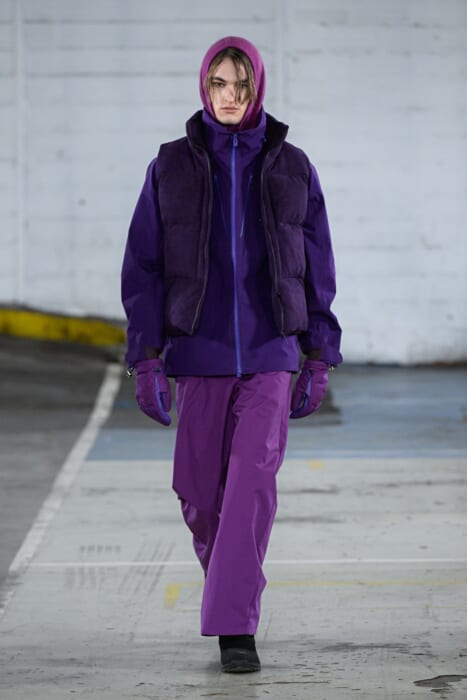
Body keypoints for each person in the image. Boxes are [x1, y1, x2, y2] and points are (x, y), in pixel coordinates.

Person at [121, 35, 342, 673]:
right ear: (204, 85)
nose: (229, 96)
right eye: (219, 83)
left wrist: (318, 354)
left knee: (250, 486)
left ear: (257, 89)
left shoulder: (292, 166)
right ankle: (232, 588)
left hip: (271, 354)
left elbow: (318, 266)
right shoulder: (170, 166)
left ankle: (235, 627)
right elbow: (143, 267)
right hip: (198, 352)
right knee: (198, 495)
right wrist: (146, 357)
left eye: (241, 86)